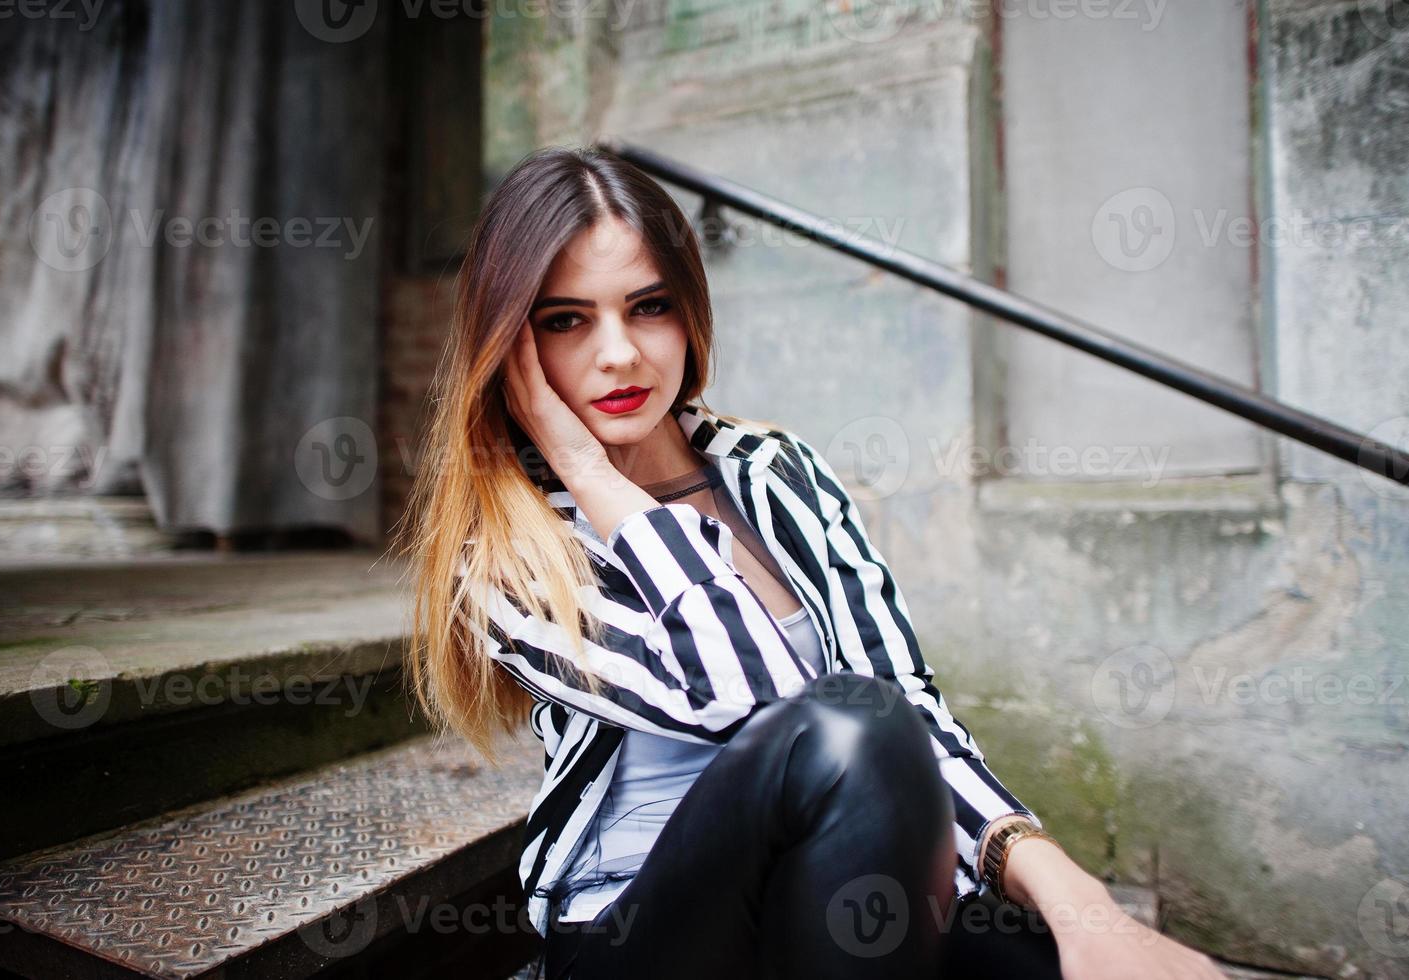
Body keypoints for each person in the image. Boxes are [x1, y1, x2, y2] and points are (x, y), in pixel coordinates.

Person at [396, 145, 1226, 980]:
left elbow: (908, 710)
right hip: (639, 935)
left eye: (647, 307)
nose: (618, 354)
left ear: (688, 314)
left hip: (831, 902)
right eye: (564, 320)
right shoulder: (501, 553)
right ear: (511, 349)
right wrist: (588, 476)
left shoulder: (772, 472)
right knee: (844, 725)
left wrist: (1081, 908)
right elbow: (745, 698)